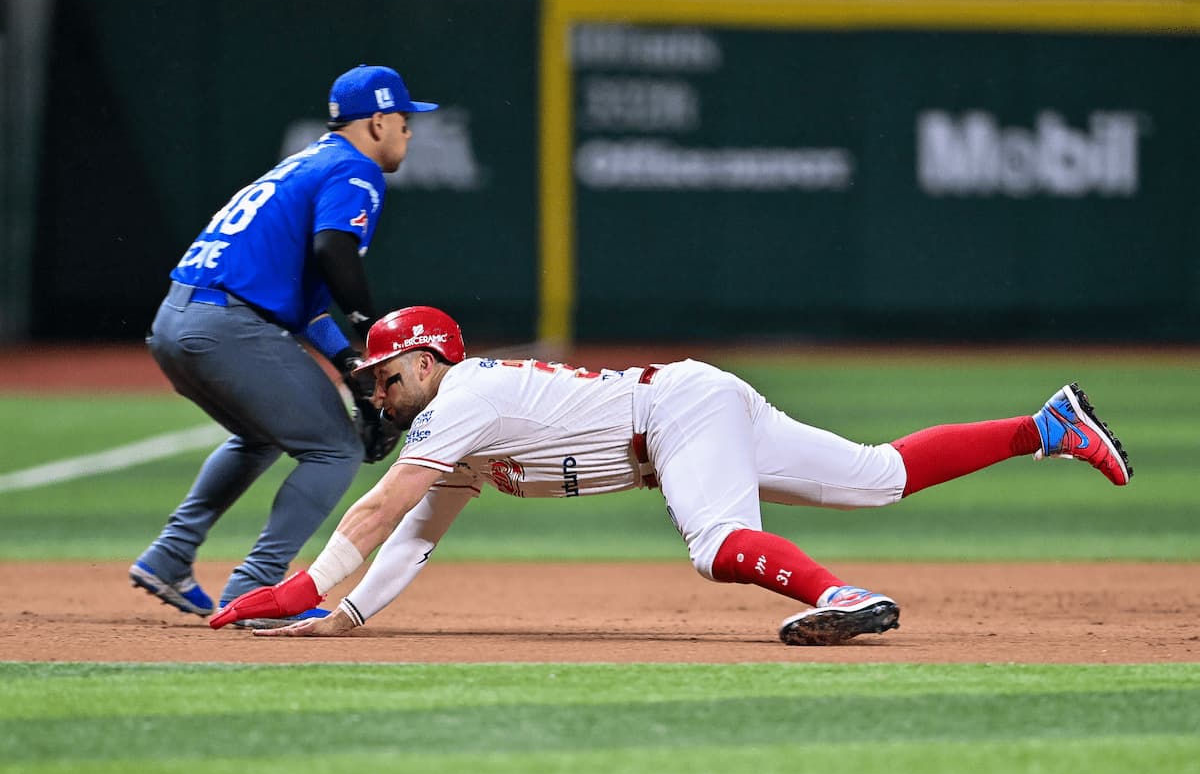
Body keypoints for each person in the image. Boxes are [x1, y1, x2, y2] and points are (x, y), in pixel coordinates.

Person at [210, 306, 1133, 645]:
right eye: (372, 382)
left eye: (384, 375)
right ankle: (1045, 426)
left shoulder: (460, 401)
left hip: (680, 415)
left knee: (715, 545)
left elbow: (378, 507)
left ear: (425, 360)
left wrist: (295, 588)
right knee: (877, 476)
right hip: (692, 403)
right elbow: (415, 530)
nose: (378, 392)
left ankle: (841, 595)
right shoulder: (463, 425)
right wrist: (345, 616)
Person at [130, 65, 438, 629]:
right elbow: (333, 251)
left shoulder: (306, 163)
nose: (409, 131)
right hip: (225, 325)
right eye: (403, 119)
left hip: (177, 319)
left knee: (262, 434)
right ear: (376, 122)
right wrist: (372, 338)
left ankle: (170, 555)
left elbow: (304, 301)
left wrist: (351, 366)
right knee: (335, 450)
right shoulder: (355, 169)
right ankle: (255, 588)